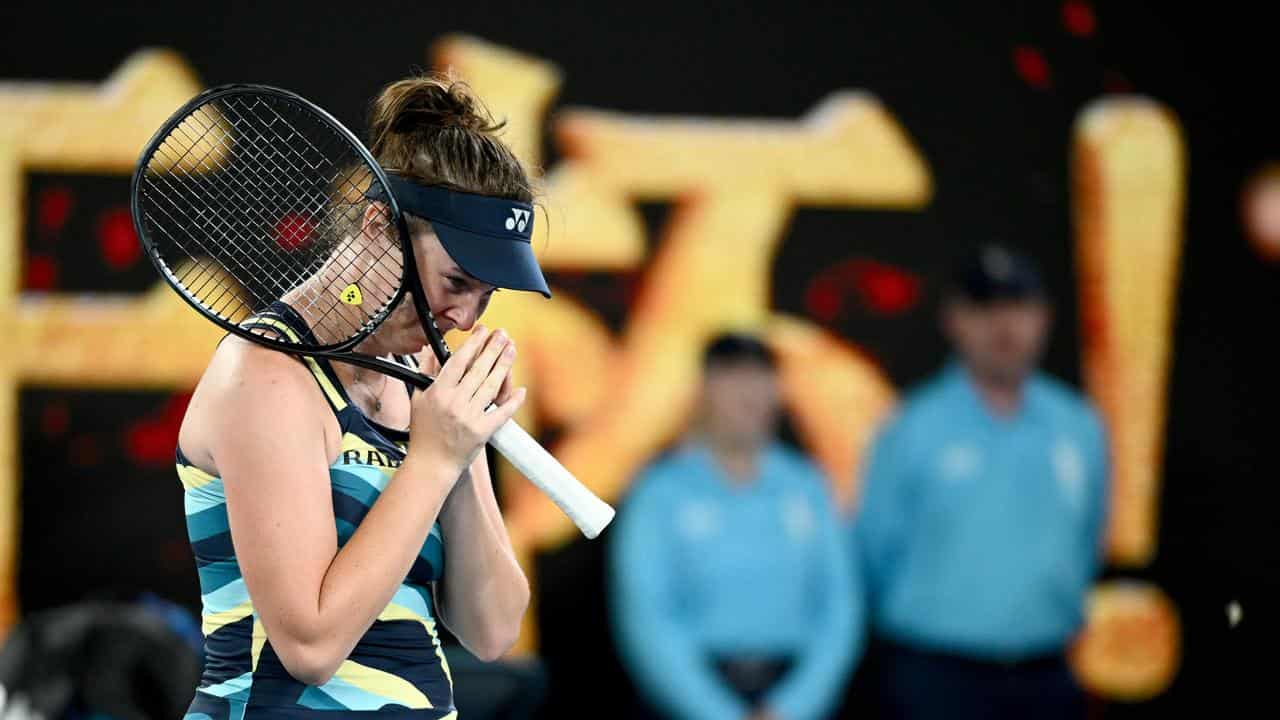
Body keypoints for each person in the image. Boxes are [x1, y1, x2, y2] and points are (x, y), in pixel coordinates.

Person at [174, 75, 550, 717]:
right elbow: (310, 645)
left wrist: (460, 456)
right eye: (455, 280)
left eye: (486, 295)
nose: (463, 317)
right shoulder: (265, 376)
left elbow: (491, 630)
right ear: (378, 229)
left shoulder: (424, 379)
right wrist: (433, 459)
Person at [853, 245, 1109, 719]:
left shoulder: (1078, 426)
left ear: (1045, 318)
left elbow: (1089, 541)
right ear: (954, 320)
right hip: (935, 675)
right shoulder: (912, 427)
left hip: (1045, 672)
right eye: (985, 308)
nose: (1003, 326)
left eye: (1019, 307)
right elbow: (873, 551)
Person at [610, 333, 862, 720]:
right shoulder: (659, 492)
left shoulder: (808, 485)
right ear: (703, 389)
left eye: (762, 376)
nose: (750, 392)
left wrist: (793, 708)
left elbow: (840, 607)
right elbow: (648, 619)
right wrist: (716, 714)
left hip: (792, 690)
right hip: (693, 694)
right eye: (732, 376)